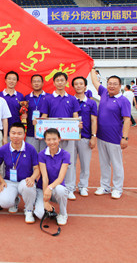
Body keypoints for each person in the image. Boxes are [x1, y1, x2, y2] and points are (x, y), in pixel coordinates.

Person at [90, 68, 131, 199]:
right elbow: (95, 81)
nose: (111, 86)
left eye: (114, 84)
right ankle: (105, 186)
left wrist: (125, 137)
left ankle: (118, 188)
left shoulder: (123, 101)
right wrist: (91, 68)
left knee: (116, 164)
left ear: (120, 86)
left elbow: (127, 120)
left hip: (115, 138)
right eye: (109, 83)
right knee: (104, 163)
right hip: (101, 136)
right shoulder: (104, 93)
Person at [39, 72, 80, 200]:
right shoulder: (48, 99)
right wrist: (39, 124)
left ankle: (70, 188)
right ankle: (50, 186)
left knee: (70, 162)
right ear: (54, 83)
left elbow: (75, 116)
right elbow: (44, 116)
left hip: (69, 136)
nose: (60, 82)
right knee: (51, 163)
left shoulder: (72, 99)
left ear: (66, 82)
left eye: (62, 80)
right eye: (57, 80)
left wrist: (78, 125)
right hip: (52, 138)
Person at [0, 122, 39, 224]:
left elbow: (37, 168)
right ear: (9, 134)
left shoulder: (30, 149)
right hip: (9, 181)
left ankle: (29, 210)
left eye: (19, 133)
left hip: (25, 180)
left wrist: (32, 178)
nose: (16, 136)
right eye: (13, 133)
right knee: (4, 202)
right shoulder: (4, 149)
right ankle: (14, 201)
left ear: (24, 135)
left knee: (29, 186)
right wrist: (1, 181)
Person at [33, 128, 70, 226]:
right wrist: (45, 200)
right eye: (48, 139)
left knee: (61, 190)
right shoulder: (41, 155)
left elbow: (60, 178)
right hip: (43, 188)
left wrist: (50, 188)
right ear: (45, 140)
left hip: (56, 188)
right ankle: (50, 208)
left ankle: (63, 214)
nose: (52, 142)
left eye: (54, 139)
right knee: (40, 214)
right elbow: (45, 177)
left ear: (59, 139)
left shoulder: (66, 155)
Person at [69, 76, 98, 198]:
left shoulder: (91, 102)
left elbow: (94, 120)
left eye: (81, 83)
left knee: (85, 163)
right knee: (70, 163)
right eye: (76, 84)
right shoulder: (69, 100)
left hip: (85, 137)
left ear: (85, 86)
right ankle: (70, 187)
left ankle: (83, 186)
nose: (79, 86)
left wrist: (93, 136)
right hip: (70, 137)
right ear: (73, 86)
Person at [24, 74, 48, 152]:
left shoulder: (49, 97)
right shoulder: (26, 98)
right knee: (31, 156)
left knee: (44, 157)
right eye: (34, 81)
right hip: (31, 133)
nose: (36, 83)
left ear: (43, 83)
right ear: (31, 84)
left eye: (38, 81)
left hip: (45, 133)